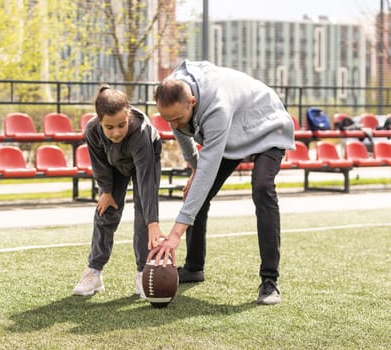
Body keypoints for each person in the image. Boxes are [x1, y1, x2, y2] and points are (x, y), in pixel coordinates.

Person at [148, 60, 295, 305]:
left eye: (177, 118)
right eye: (167, 119)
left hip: (267, 126)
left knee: (262, 188)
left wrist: (174, 235)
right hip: (232, 132)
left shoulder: (216, 106)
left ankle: (270, 281)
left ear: (192, 102)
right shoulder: (174, 90)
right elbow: (183, 134)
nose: (172, 125)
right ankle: (194, 267)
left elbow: (208, 169)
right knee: (196, 191)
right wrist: (194, 167)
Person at [73, 86, 164, 297]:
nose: (116, 132)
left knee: (143, 215)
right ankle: (94, 272)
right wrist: (106, 190)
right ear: (99, 122)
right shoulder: (91, 130)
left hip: (145, 164)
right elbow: (99, 164)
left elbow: (146, 179)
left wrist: (153, 222)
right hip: (115, 166)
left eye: (121, 125)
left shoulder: (141, 133)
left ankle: (143, 273)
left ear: (129, 115)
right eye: (109, 127)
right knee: (105, 211)